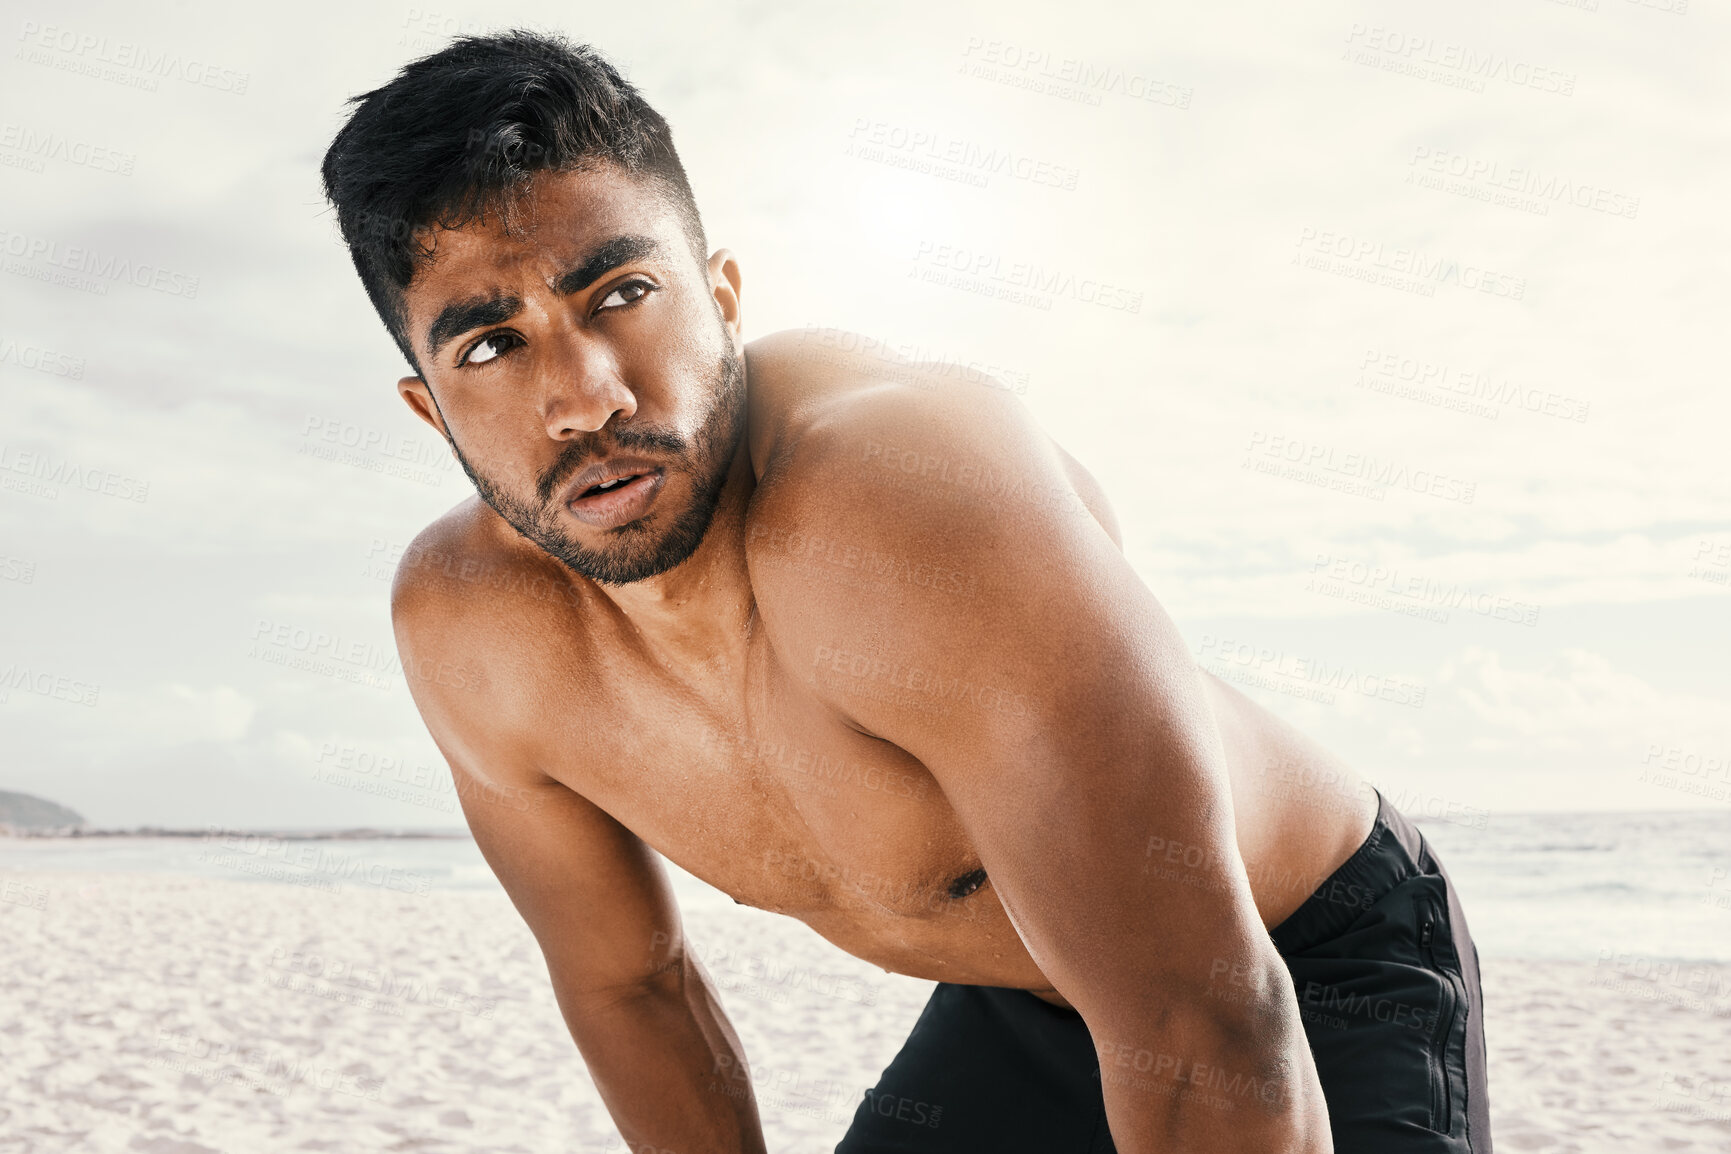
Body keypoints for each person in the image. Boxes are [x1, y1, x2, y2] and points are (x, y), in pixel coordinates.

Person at [321, 30, 1491, 1154]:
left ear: (723, 294)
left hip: (1301, 964)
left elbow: (1200, 1023)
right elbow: (631, 982)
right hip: (1021, 1004)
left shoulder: (898, 506)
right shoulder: (476, 629)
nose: (586, 396)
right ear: (429, 405)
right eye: (489, 347)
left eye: (621, 293)